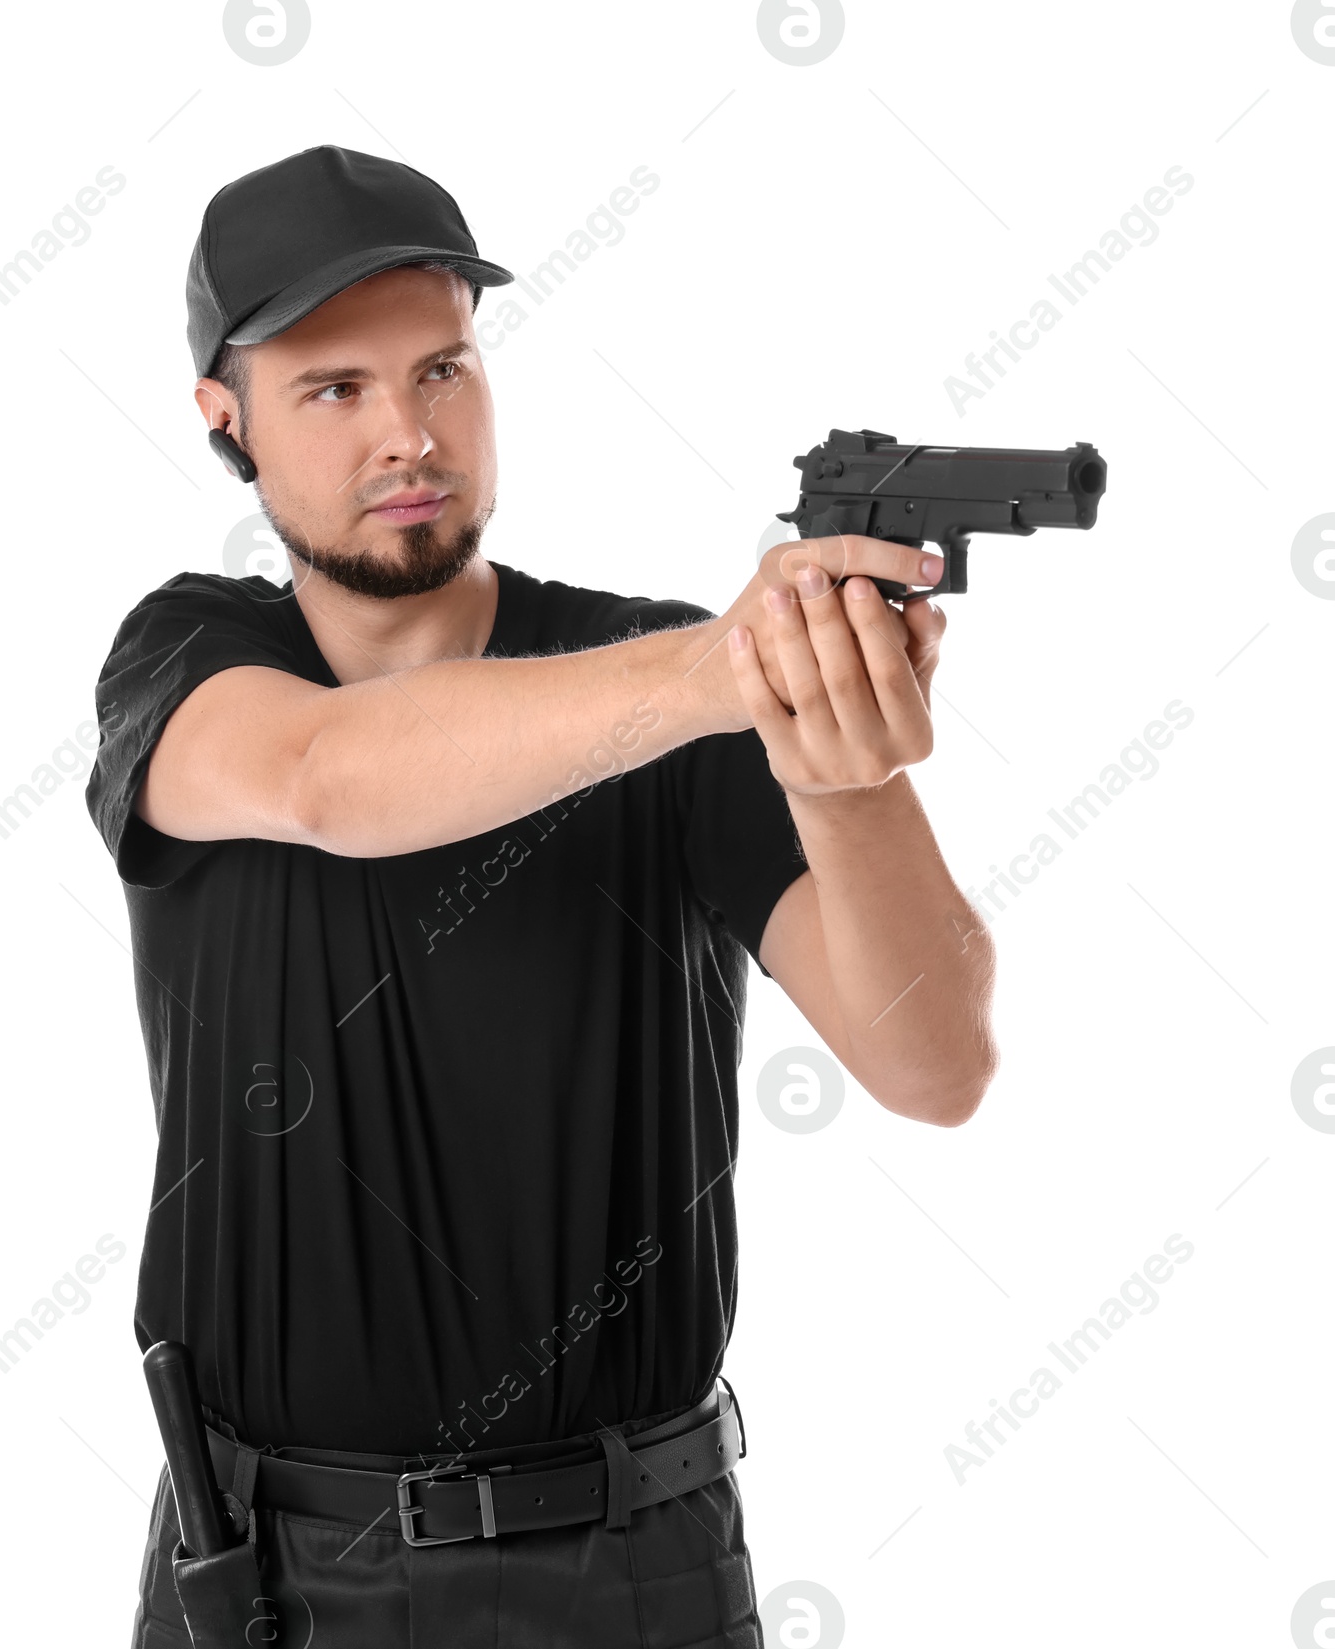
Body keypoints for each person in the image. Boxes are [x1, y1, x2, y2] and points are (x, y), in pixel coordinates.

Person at [87, 144, 998, 1649]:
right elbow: (329, 779)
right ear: (224, 421)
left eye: (444, 367)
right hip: (272, 1572)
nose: (410, 431)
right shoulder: (189, 663)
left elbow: (938, 1061)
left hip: (633, 1568)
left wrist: (836, 756)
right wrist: (728, 665)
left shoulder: (665, 687)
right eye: (335, 388)